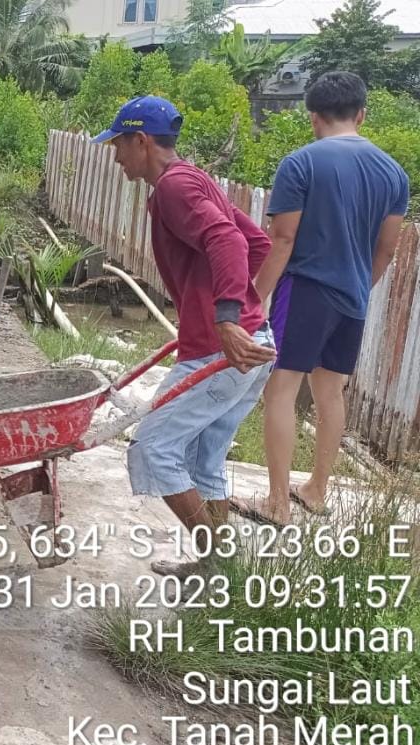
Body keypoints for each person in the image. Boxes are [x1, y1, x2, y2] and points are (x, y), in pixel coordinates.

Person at [93, 96, 276, 576]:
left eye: (118, 145)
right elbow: (255, 242)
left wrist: (226, 315)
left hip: (225, 350)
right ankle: (217, 569)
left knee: (153, 447)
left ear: (141, 140)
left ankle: (218, 568)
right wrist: (225, 301)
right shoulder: (194, 178)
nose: (115, 157)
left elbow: (231, 242)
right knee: (203, 458)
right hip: (251, 343)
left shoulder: (173, 188)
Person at [242, 72, 409, 525]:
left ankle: (277, 504)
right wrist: (360, 284)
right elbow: (387, 248)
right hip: (353, 297)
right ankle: (316, 489)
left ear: (313, 117)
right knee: (330, 390)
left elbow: (282, 241)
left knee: (281, 388)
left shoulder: (301, 163)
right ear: (362, 114)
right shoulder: (394, 173)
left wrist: (252, 301)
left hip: (307, 287)